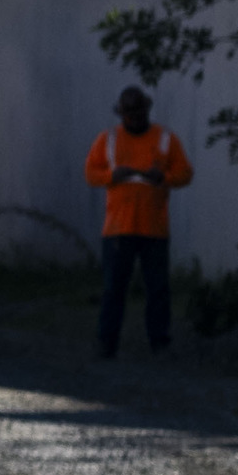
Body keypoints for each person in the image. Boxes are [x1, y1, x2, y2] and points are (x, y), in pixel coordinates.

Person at [85, 83, 194, 356]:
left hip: (154, 228)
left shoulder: (165, 139)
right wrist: (112, 176)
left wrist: (164, 178)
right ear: (122, 115)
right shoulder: (107, 139)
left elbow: (185, 174)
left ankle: (160, 343)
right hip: (119, 228)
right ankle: (107, 343)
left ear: (146, 111)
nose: (134, 119)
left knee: (157, 289)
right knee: (113, 289)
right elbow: (90, 173)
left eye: (138, 113)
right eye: (129, 114)